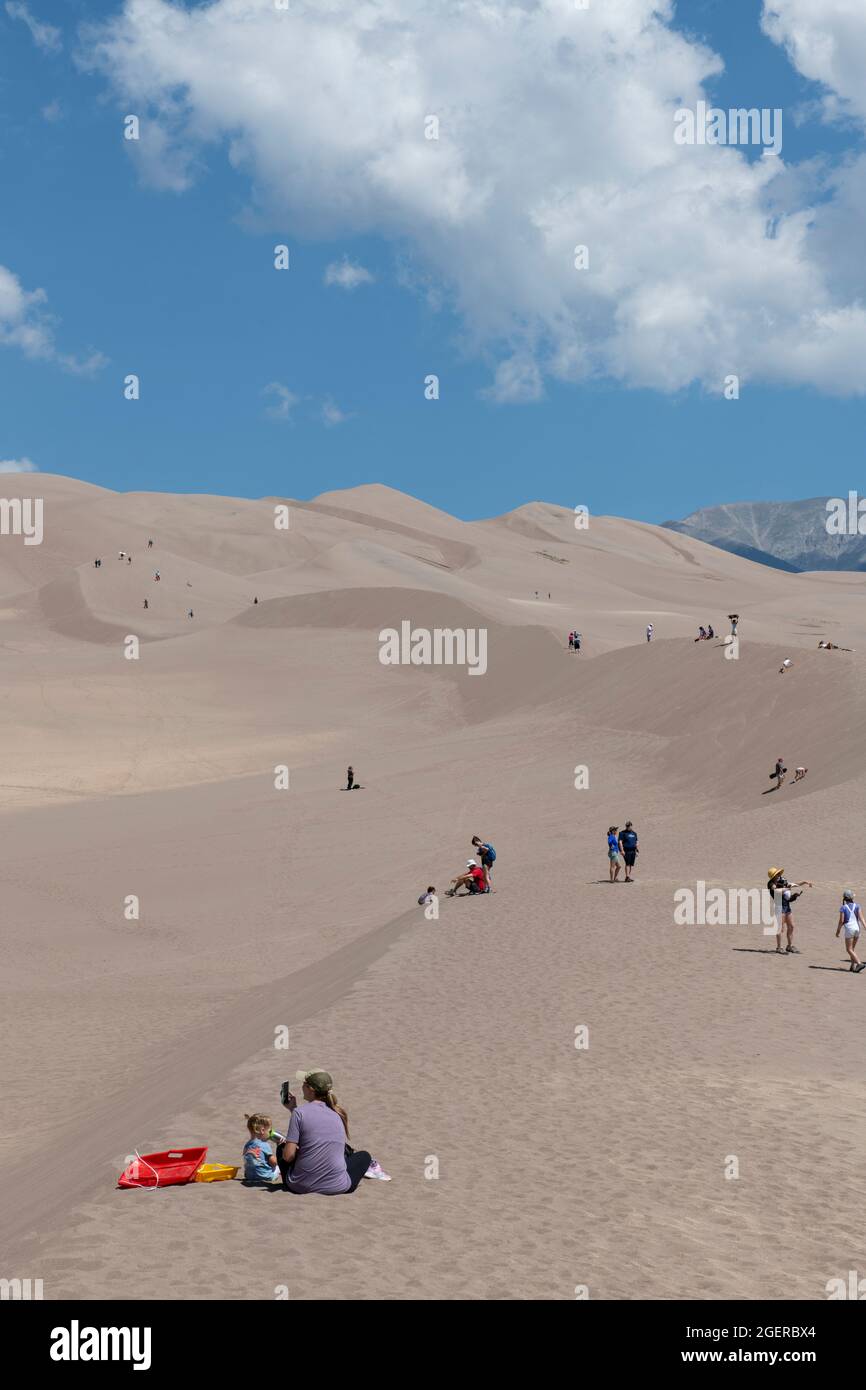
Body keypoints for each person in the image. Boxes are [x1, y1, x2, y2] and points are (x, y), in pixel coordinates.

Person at [277, 1071, 373, 1193]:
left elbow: (288, 1156)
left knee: (282, 1149)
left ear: (310, 1089)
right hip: (337, 1187)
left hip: (300, 1186)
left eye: (304, 1084)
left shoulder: (299, 1113)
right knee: (364, 1156)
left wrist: (293, 1109)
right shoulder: (337, 1113)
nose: (302, 1087)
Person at [767, 867, 812, 954]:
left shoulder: (782, 880)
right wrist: (787, 888)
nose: (779, 875)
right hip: (779, 907)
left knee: (791, 926)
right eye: (777, 874)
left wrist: (804, 882)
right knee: (780, 929)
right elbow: (776, 891)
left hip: (787, 906)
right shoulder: (771, 884)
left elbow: (793, 884)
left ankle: (789, 946)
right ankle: (779, 947)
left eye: (779, 873)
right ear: (773, 876)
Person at [243, 1113, 281, 1184]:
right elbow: (273, 1162)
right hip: (266, 1177)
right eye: (269, 1131)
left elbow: (246, 1160)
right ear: (262, 1130)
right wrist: (278, 1145)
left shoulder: (247, 1145)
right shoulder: (264, 1145)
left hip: (249, 1176)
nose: (270, 1134)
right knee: (278, 1166)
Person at [836, 891, 866, 973]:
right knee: (852, 949)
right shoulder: (857, 906)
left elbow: (841, 921)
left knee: (849, 949)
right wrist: (865, 926)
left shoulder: (843, 907)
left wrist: (838, 931)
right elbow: (861, 918)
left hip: (849, 929)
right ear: (852, 898)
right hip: (857, 928)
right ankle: (852, 966)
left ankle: (859, 963)